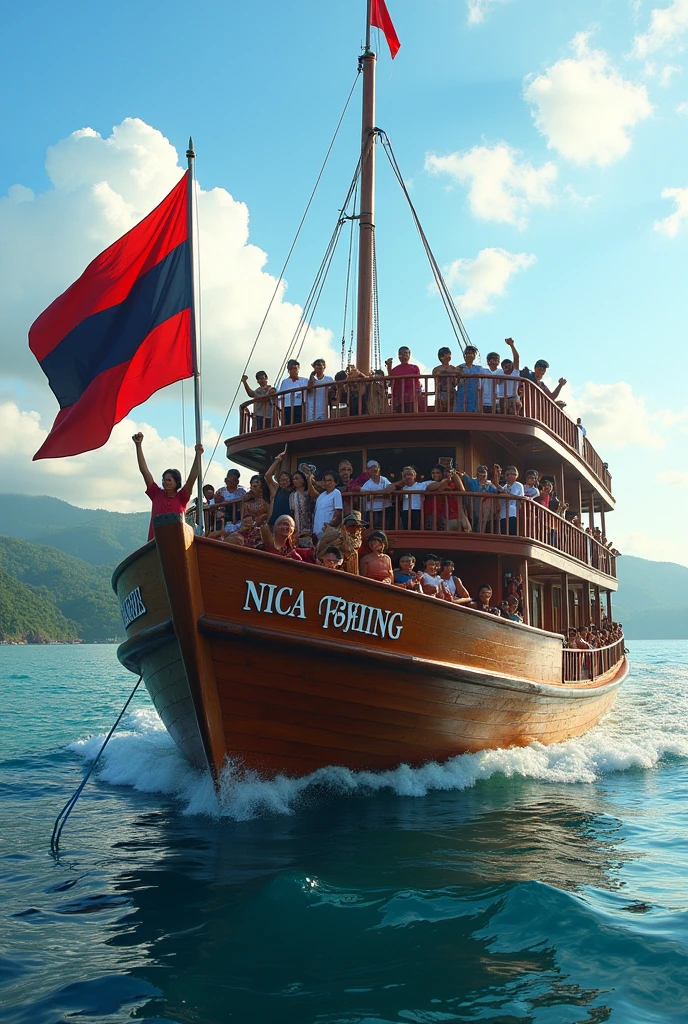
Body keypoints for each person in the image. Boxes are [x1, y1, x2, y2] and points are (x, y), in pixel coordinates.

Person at [134, 433, 204, 541]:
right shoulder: (156, 494)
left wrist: (198, 454)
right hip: (155, 542)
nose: (165, 482)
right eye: (164, 480)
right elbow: (145, 471)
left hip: (177, 542)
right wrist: (138, 446)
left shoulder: (182, 497)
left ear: (177, 483)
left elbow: (192, 477)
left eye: (169, 480)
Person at [391, 465, 443, 530]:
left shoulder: (421, 485)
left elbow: (438, 484)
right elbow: (389, 488)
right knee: (406, 530)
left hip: (417, 511)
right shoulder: (402, 487)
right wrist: (402, 481)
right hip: (405, 511)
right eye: (406, 475)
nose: (408, 477)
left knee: (417, 529)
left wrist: (428, 489)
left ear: (415, 475)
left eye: (410, 474)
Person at [316, 510, 368, 574]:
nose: (354, 529)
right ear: (345, 526)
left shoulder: (357, 540)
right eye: (351, 526)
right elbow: (321, 552)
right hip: (333, 568)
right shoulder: (336, 536)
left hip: (351, 569)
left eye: (357, 527)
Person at [460, 464, 499, 533]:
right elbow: (463, 477)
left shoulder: (489, 485)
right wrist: (461, 474)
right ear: (477, 473)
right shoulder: (473, 482)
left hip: (485, 509)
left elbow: (497, 491)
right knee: (474, 522)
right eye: (480, 472)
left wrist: (496, 475)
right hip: (473, 507)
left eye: (484, 472)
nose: (482, 474)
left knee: (484, 524)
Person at [386, 347, 422, 413]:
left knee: (412, 415)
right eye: (401, 353)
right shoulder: (394, 370)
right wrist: (389, 367)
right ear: (398, 356)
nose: (403, 355)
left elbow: (417, 382)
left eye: (405, 353)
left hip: (411, 397)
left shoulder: (414, 368)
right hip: (398, 398)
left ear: (409, 355)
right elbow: (390, 382)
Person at [309, 470, 343, 540]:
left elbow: (338, 514)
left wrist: (329, 526)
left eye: (330, 480)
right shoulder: (321, 495)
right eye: (325, 481)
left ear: (335, 482)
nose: (327, 483)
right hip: (317, 531)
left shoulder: (336, 493)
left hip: (328, 532)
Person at [360, 459, 393, 529]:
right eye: (370, 468)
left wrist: (374, 495)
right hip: (372, 511)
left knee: (387, 530)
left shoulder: (384, 480)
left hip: (386, 509)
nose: (372, 469)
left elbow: (391, 490)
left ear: (379, 468)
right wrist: (383, 493)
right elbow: (366, 497)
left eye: (374, 466)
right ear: (367, 471)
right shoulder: (367, 484)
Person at [264, 448, 293, 526]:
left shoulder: (293, 492)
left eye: (287, 480)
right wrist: (277, 460)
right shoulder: (277, 490)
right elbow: (267, 476)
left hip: (288, 524)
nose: (284, 482)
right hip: (274, 524)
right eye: (282, 480)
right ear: (279, 482)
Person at [493, 464, 524, 536]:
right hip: (503, 515)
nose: (507, 477)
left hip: (512, 514)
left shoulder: (518, 485)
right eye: (506, 475)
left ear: (515, 475)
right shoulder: (505, 486)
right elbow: (499, 490)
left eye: (509, 474)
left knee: (511, 535)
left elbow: (518, 498)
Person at [454, 346, 485, 413]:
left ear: (474, 355)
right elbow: (455, 382)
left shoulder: (479, 368)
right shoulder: (459, 368)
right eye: (467, 353)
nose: (468, 355)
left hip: (474, 393)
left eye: (471, 353)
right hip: (462, 393)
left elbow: (482, 382)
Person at [277, 359, 309, 425]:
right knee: (288, 424)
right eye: (291, 369)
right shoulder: (284, 382)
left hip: (300, 406)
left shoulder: (304, 380)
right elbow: (280, 396)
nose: (294, 371)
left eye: (295, 368)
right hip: (287, 407)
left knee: (300, 424)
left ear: (298, 369)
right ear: (288, 370)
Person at [496, 339, 521, 414]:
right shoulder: (500, 374)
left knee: (513, 413)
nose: (506, 367)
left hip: (513, 398)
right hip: (502, 399)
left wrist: (512, 345)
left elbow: (516, 358)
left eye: (508, 365)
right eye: (504, 366)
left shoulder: (515, 372)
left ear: (512, 365)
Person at [289, 469, 315, 537]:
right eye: (293, 479)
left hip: (310, 527)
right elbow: (292, 512)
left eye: (297, 478)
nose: (294, 481)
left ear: (303, 480)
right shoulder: (292, 495)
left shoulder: (309, 493)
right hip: (297, 529)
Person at [432, 347, 457, 413]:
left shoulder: (453, 368)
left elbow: (456, 382)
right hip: (441, 393)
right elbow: (436, 377)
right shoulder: (437, 369)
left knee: (452, 411)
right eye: (446, 353)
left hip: (452, 393)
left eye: (449, 353)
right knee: (440, 411)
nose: (449, 355)